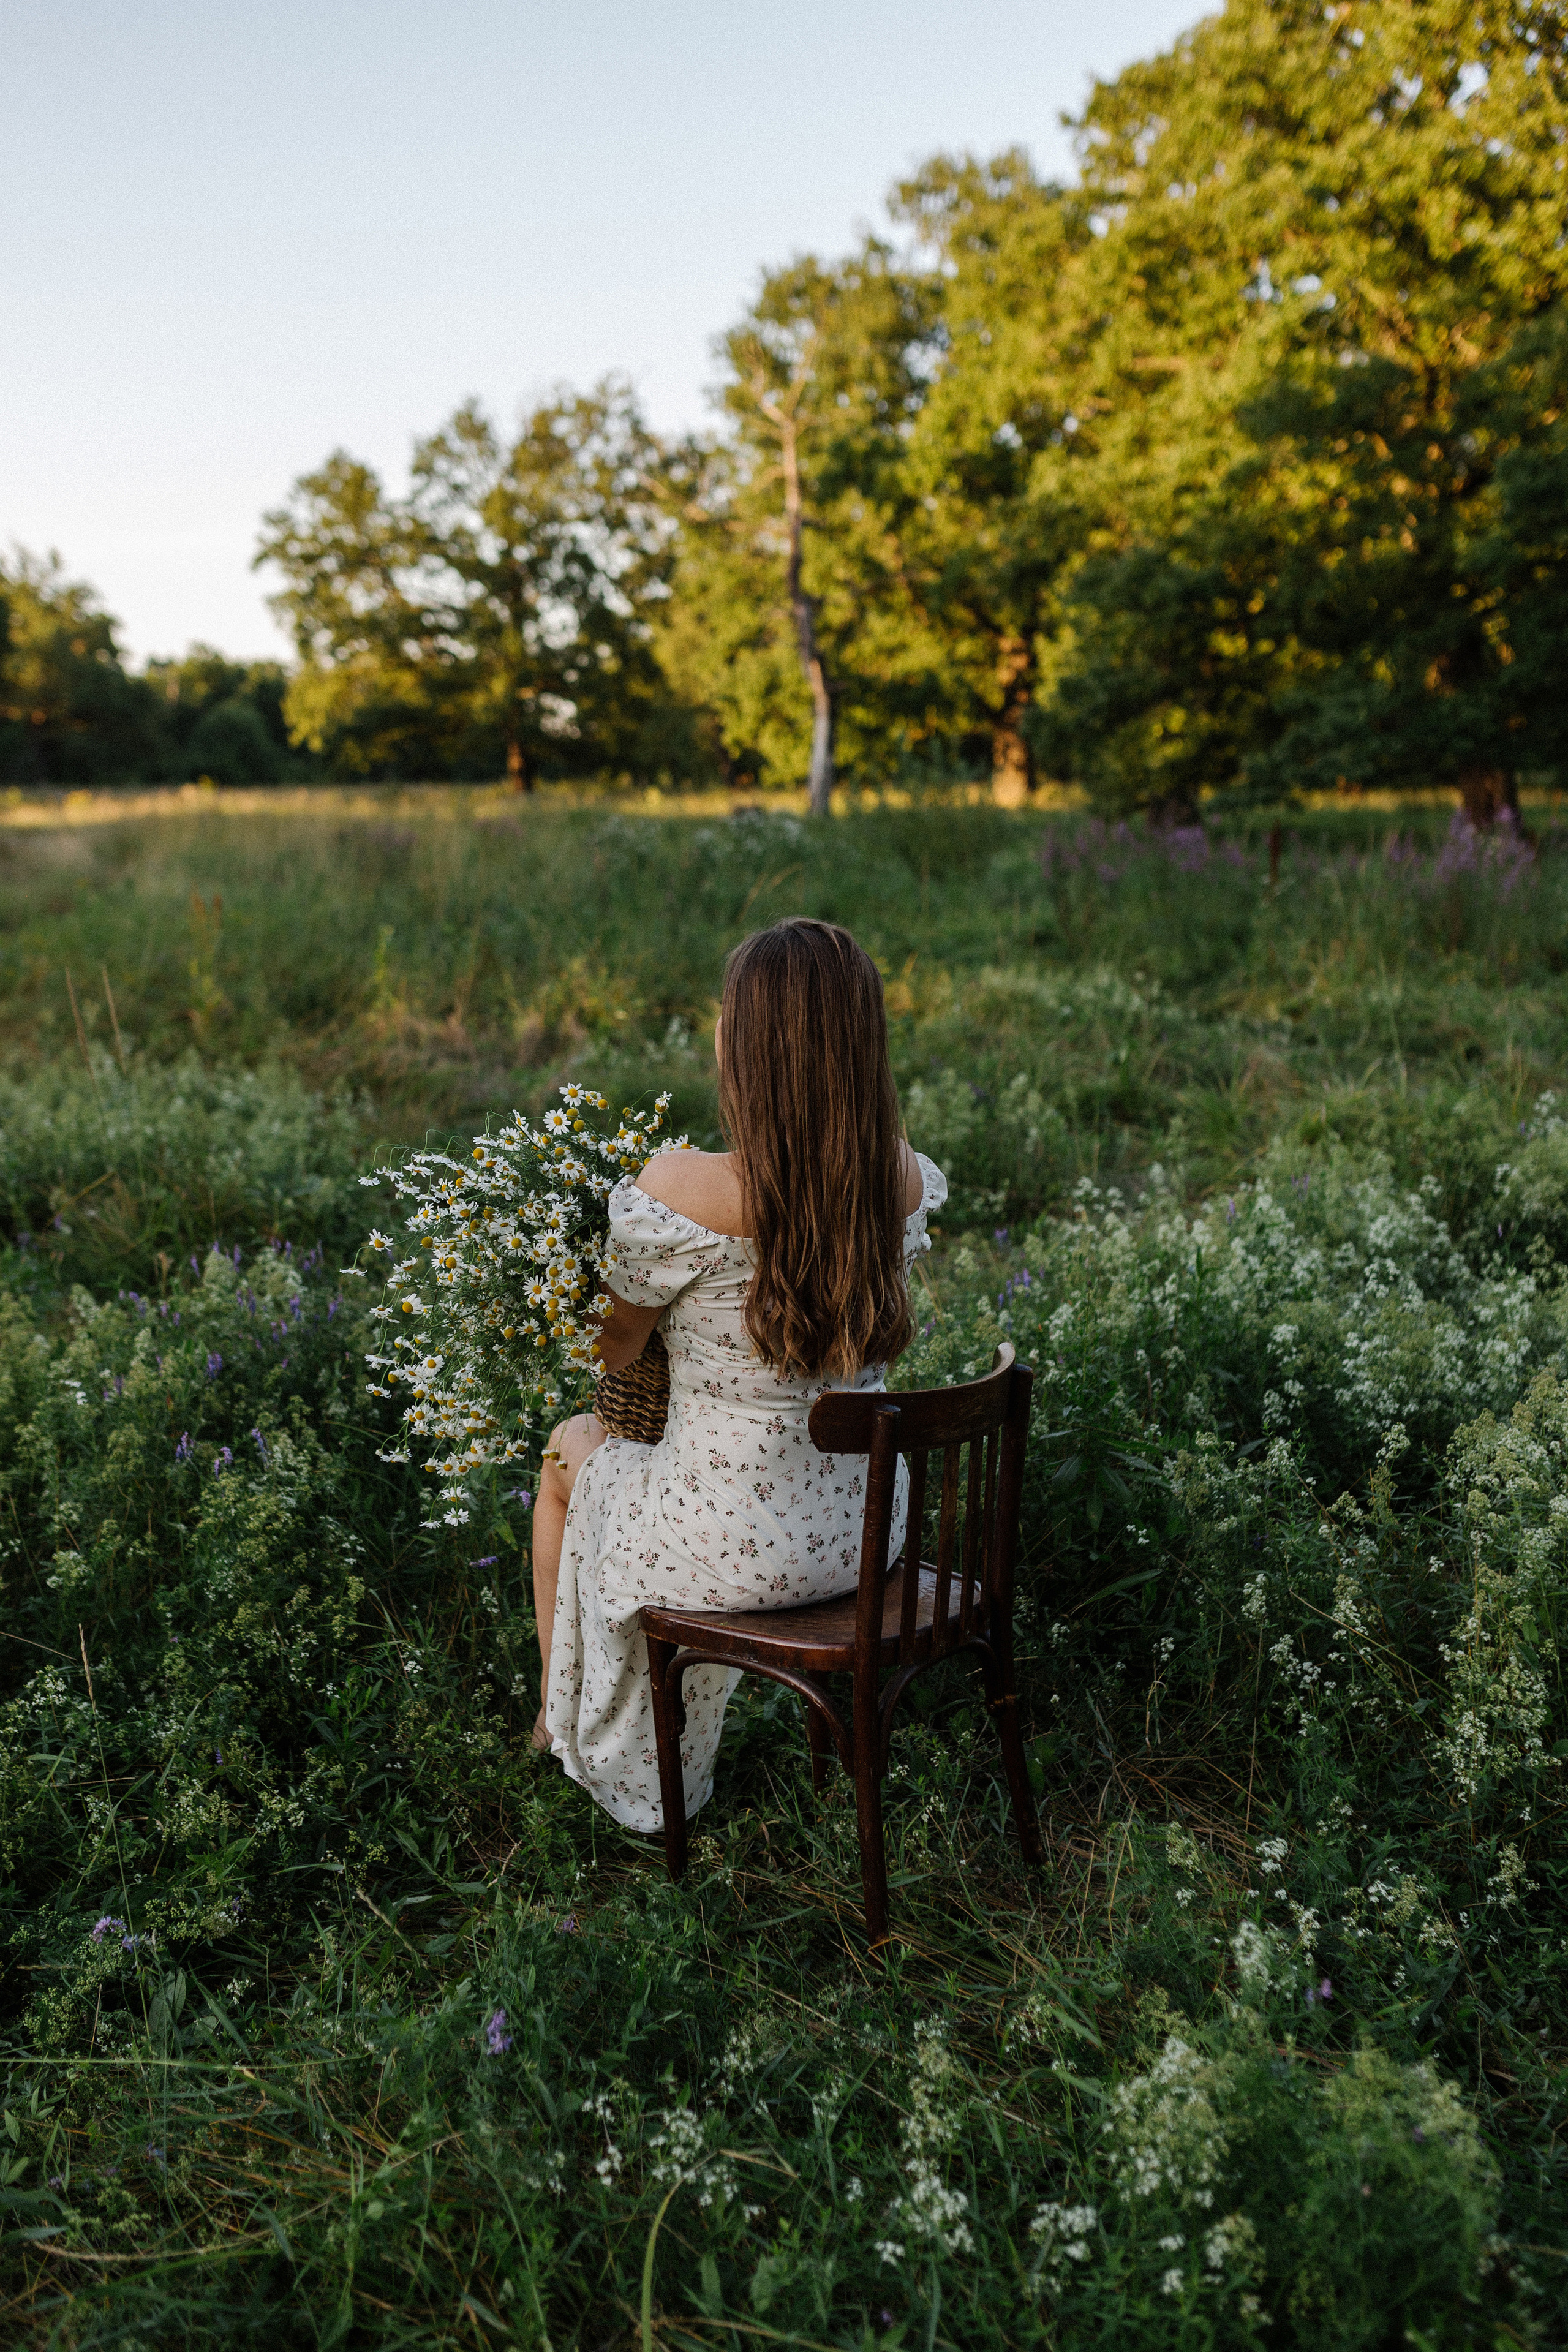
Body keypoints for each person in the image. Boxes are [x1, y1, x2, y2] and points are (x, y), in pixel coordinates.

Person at [527, 916, 947, 1832]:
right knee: (631, 1464)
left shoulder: (682, 1190)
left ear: (751, 1045)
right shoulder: (902, 1179)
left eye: (727, 1013)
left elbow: (615, 1351)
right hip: (863, 1531)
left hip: (725, 1542)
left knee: (567, 1459)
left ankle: (559, 1729)